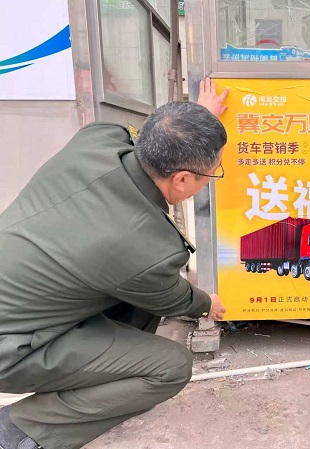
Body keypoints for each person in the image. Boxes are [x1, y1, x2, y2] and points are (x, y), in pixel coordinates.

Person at [0, 78, 229, 449]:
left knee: (137, 301)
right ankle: (22, 430)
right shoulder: (144, 244)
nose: (211, 178)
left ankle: (109, 382)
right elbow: (176, 298)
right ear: (183, 179)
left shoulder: (97, 140)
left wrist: (196, 120)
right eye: (214, 172)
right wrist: (208, 304)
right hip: (12, 347)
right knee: (170, 367)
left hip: (21, 304)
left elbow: (155, 135)